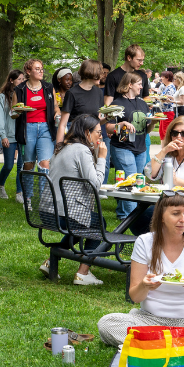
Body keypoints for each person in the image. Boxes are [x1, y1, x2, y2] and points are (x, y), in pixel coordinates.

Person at [97, 192, 184, 348]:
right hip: (149, 320)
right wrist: (144, 286)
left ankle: (150, 343)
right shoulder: (145, 242)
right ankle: (176, 344)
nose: (183, 220)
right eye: (176, 214)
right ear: (161, 217)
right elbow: (136, 297)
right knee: (106, 323)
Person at [45, 114, 109, 285]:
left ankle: (51, 260)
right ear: (87, 133)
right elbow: (94, 185)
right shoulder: (81, 150)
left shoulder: (62, 147)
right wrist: (102, 158)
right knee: (98, 224)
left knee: (83, 223)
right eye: (98, 132)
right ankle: (83, 273)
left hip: (48, 212)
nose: (100, 136)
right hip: (65, 213)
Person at [105, 71, 156, 221]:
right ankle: (133, 219)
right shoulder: (117, 104)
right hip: (122, 147)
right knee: (133, 180)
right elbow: (108, 127)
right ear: (130, 85)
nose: (142, 87)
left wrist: (153, 121)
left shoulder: (142, 103)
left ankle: (122, 213)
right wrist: (120, 124)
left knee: (131, 181)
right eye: (139, 84)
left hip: (140, 148)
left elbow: (147, 130)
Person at [14, 58, 58, 197]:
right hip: (27, 129)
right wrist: (18, 111)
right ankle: (28, 198)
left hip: (46, 128)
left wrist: (57, 114)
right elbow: (13, 112)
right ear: (28, 71)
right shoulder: (19, 89)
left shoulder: (48, 87)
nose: (41, 71)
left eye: (41, 68)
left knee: (45, 164)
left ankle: (44, 198)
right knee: (28, 164)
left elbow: (56, 107)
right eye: (37, 69)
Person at [56, 59, 104, 143]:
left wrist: (108, 118)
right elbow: (63, 125)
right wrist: (58, 147)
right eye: (99, 72)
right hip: (77, 140)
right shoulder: (72, 93)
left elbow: (97, 121)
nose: (102, 75)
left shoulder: (98, 92)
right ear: (91, 72)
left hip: (94, 139)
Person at [0, 70, 26, 201]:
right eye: (19, 79)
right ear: (11, 80)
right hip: (9, 135)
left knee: (22, 165)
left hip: (23, 134)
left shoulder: (24, 95)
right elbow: (0, 117)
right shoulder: (3, 97)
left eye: (23, 79)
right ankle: (0, 185)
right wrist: (3, 135)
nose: (22, 81)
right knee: (8, 165)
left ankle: (19, 192)